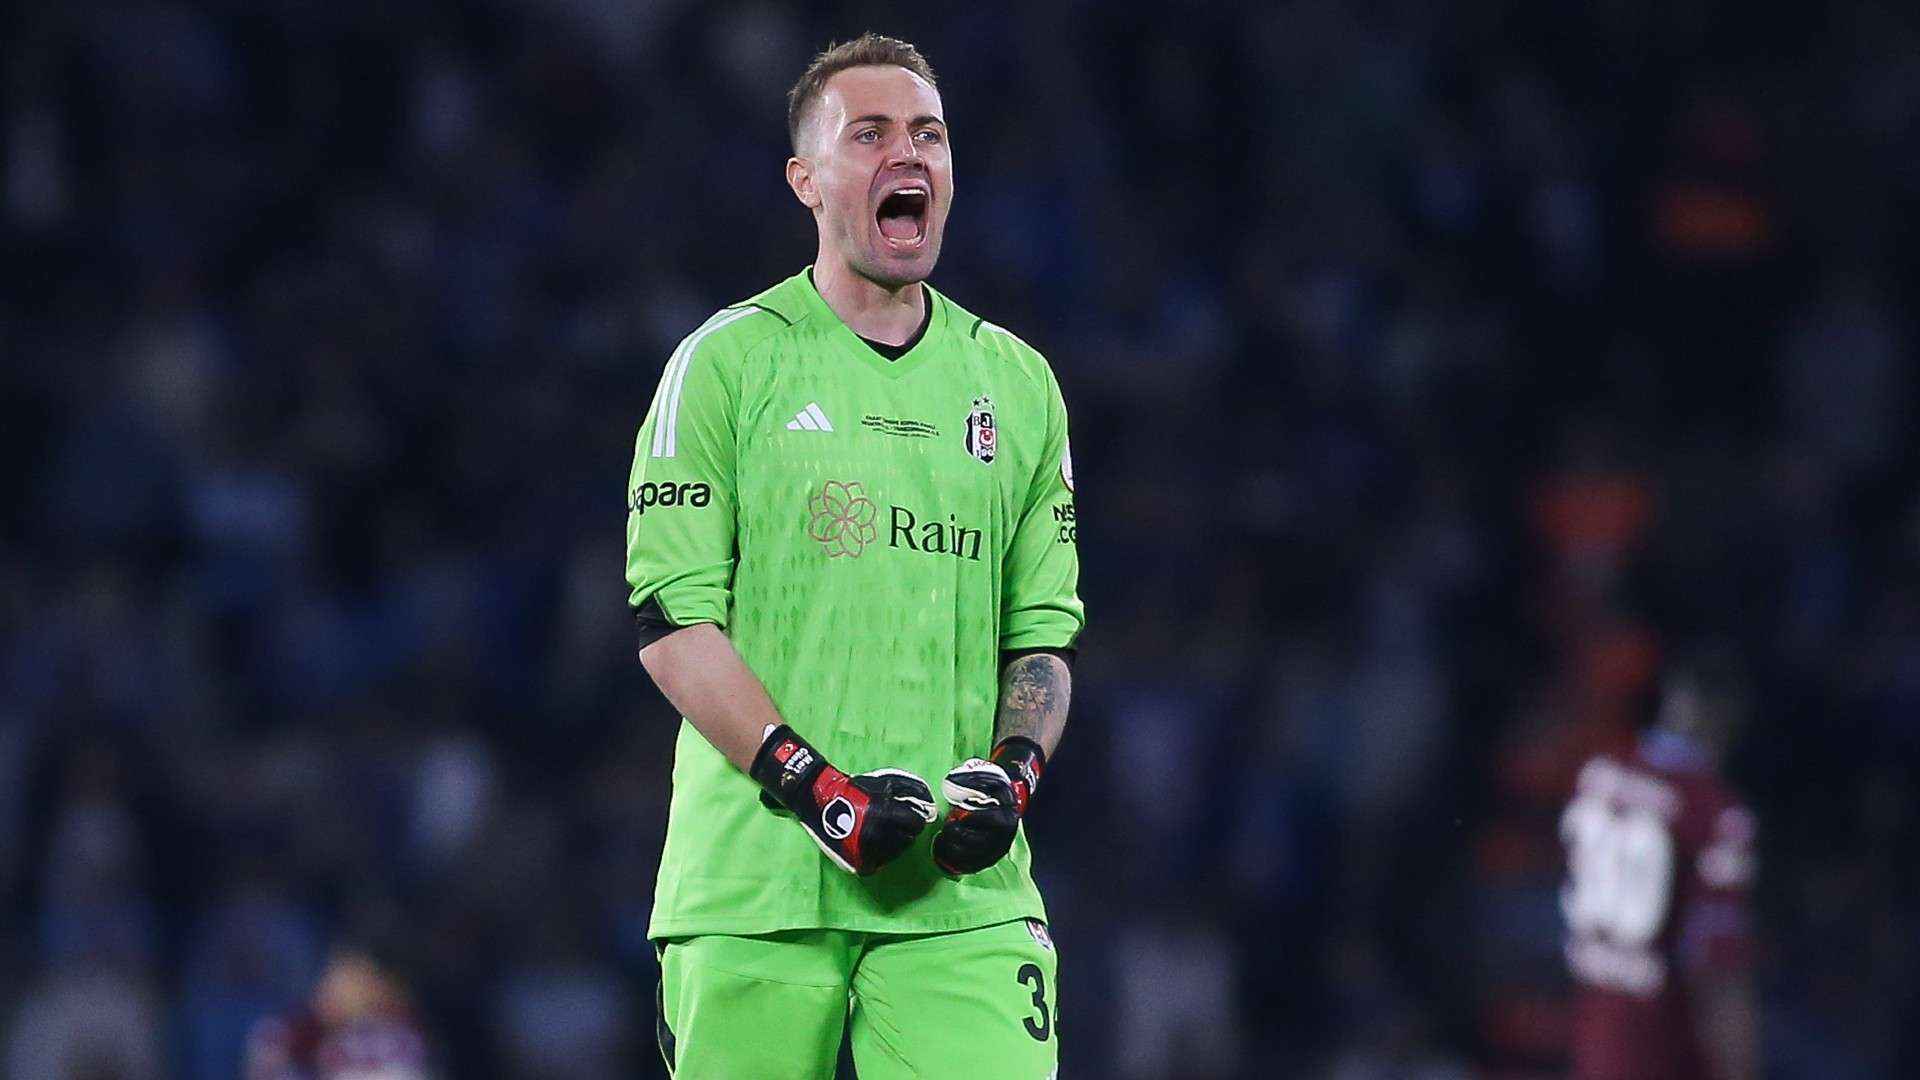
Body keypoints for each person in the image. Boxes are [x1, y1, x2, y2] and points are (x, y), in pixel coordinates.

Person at [623, 32, 1083, 1080]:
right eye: (867, 134)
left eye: (928, 134)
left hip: (958, 901)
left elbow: (1042, 642)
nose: (905, 155)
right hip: (755, 894)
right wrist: (817, 789)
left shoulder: (1016, 386)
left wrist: (1014, 777)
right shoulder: (726, 366)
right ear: (807, 179)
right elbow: (671, 628)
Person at [1559, 648, 1759, 1080]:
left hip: (1596, 1037)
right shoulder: (1713, 813)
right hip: (1666, 1048)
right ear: (1725, 716)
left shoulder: (1600, 775)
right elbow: (1717, 972)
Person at [243, 942, 432, 1080]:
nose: (339, 989)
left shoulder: (395, 1038)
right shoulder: (284, 1032)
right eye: (336, 976)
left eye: (355, 981)